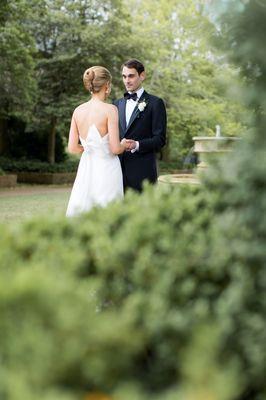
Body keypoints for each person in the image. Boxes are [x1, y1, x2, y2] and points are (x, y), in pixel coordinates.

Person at [66, 66, 129, 217]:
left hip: (87, 167)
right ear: (107, 85)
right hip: (107, 169)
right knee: (108, 211)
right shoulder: (110, 110)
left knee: (83, 209)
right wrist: (124, 144)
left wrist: (90, 149)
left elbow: (72, 148)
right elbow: (115, 148)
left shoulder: (78, 111)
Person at [113, 59, 167, 192]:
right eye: (124, 76)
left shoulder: (155, 103)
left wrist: (137, 145)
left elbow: (160, 139)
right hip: (116, 172)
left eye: (131, 76)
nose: (127, 81)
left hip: (143, 173)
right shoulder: (116, 104)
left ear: (142, 76)